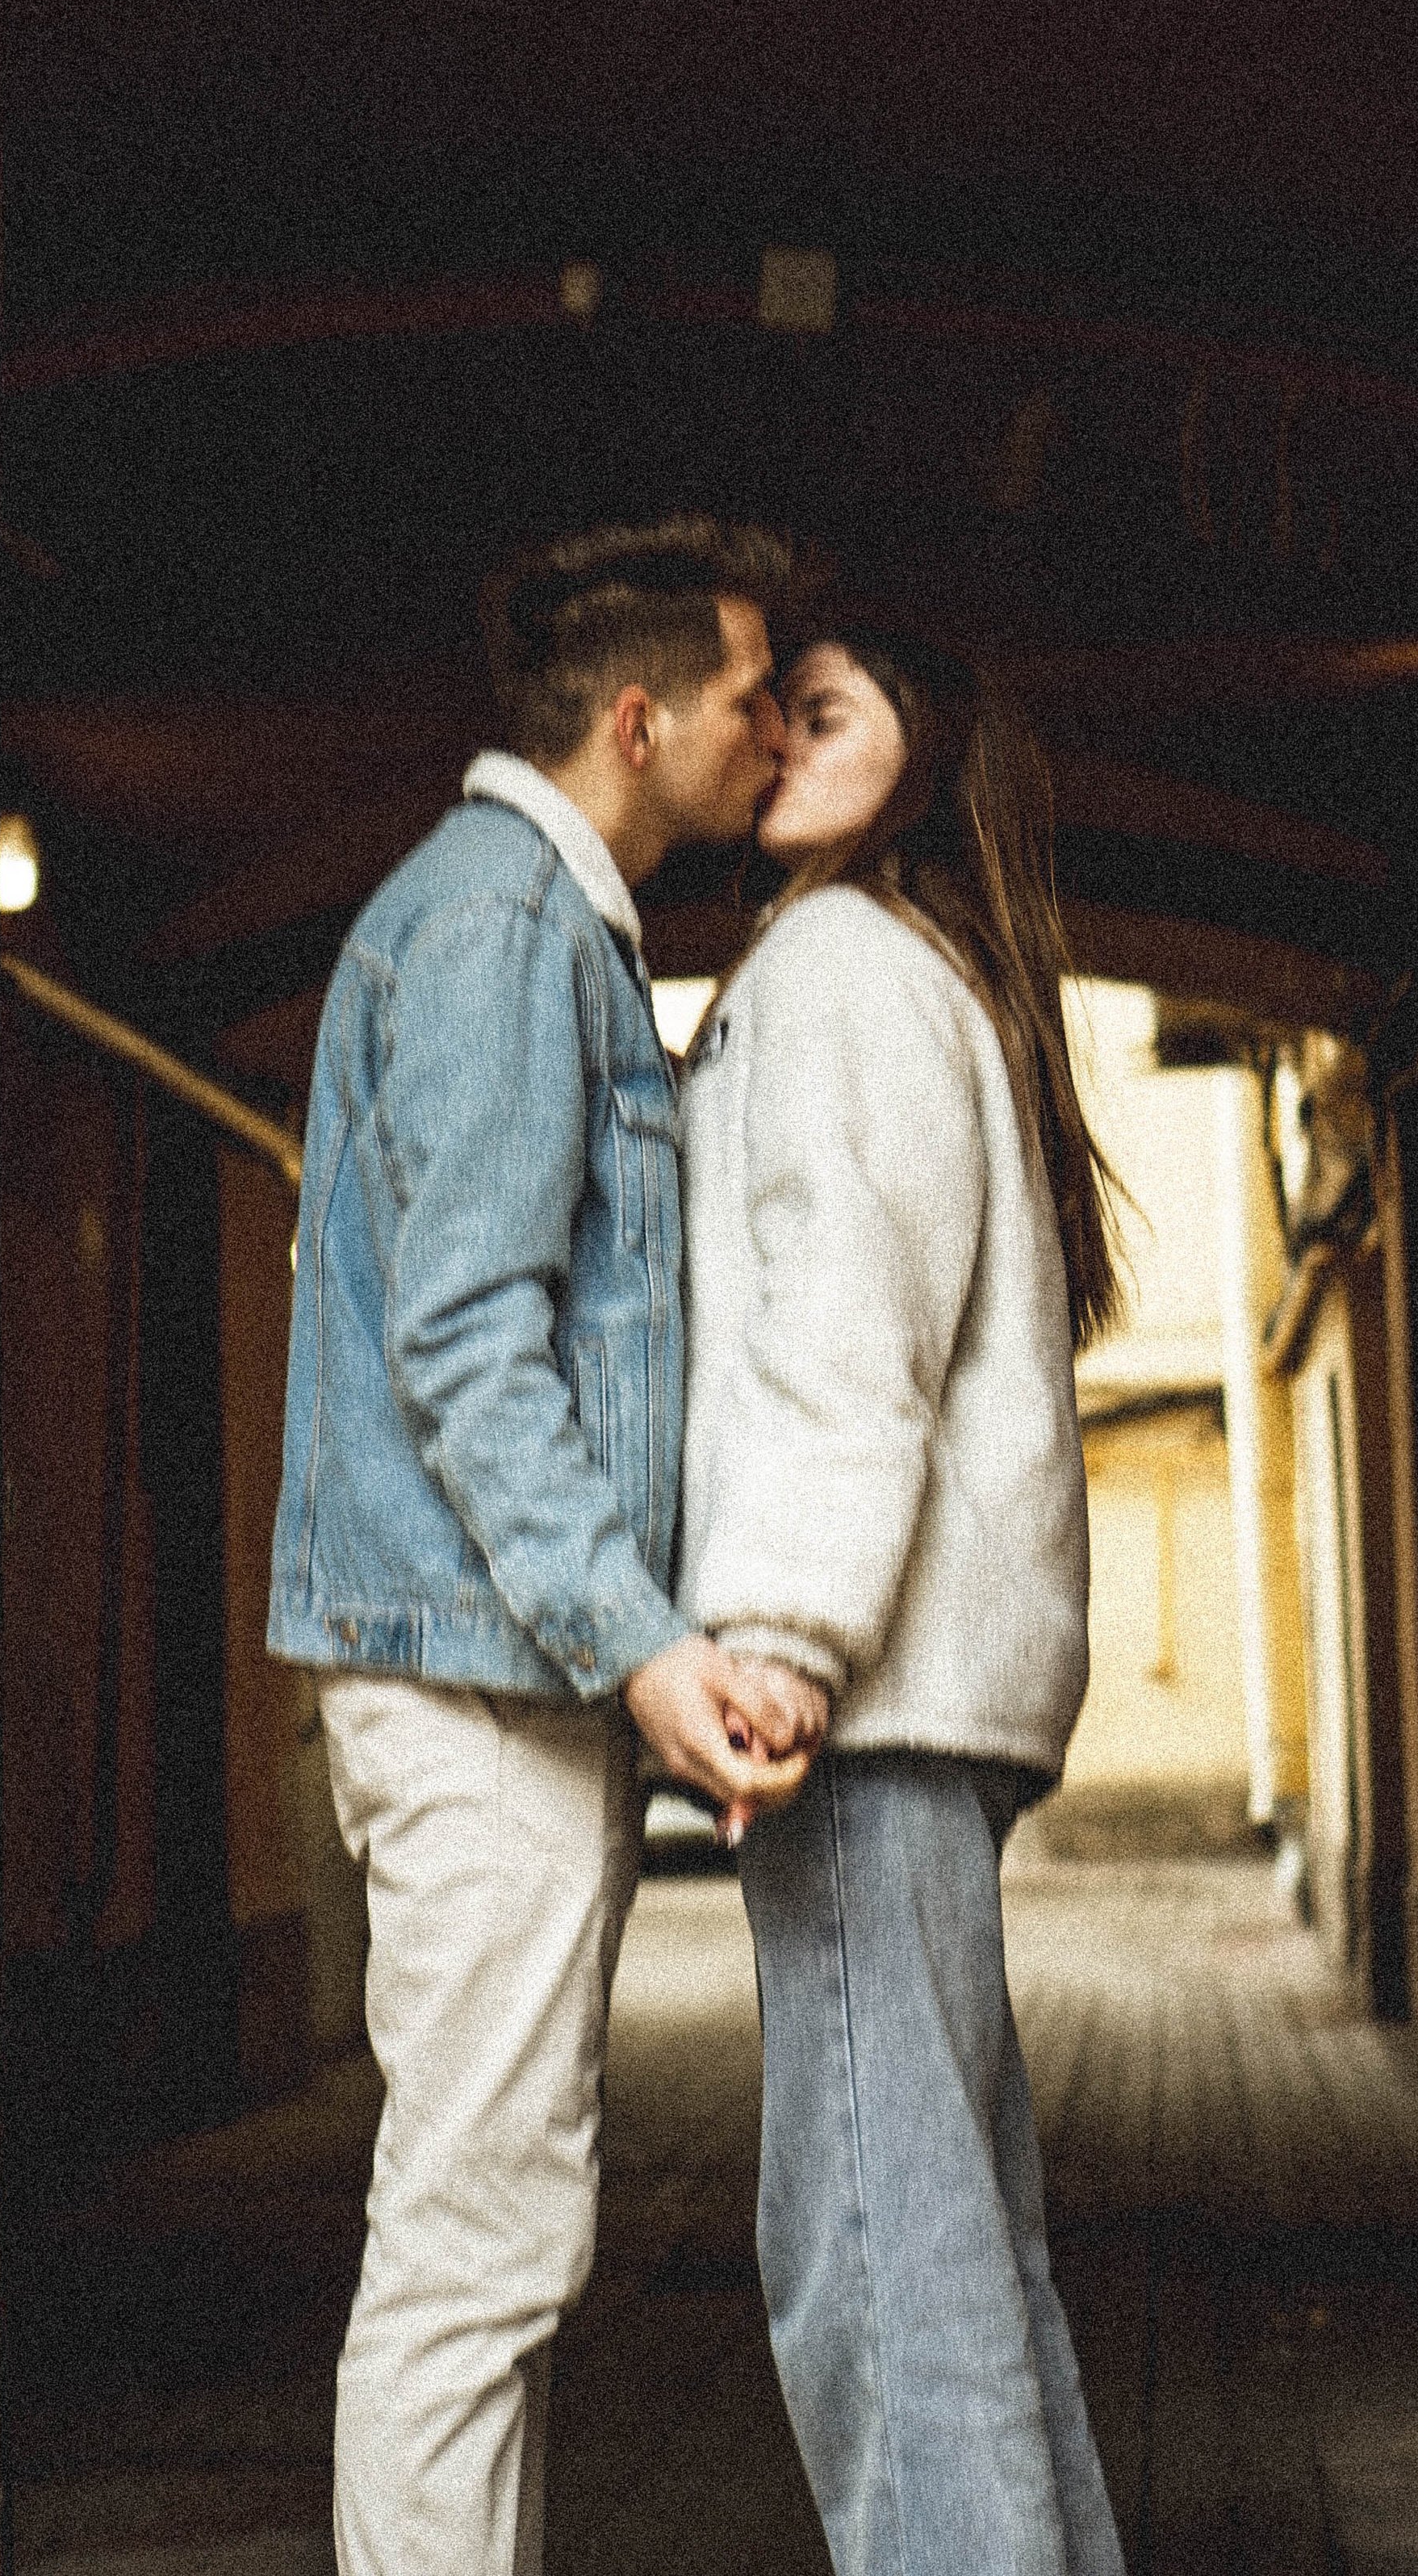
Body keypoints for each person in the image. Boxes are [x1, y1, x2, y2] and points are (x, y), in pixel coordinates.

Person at [266, 515, 828, 2576]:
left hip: (486, 1670)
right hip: (475, 1685)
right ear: (639, 720)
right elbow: (469, 1347)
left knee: (490, 2237)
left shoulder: (530, 920)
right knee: (474, 2250)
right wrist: (645, 1647)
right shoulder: (508, 926)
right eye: (753, 696)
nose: (777, 732)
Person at [676, 622, 1129, 2576]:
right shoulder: (919, 971)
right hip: (927, 1693)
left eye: (827, 711)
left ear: (922, 754)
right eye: (773, 709)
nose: (779, 737)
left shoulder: (842, 970)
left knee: (873, 2260)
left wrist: (780, 1638)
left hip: (864, 1699)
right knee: (961, 2249)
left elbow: (844, 1329)